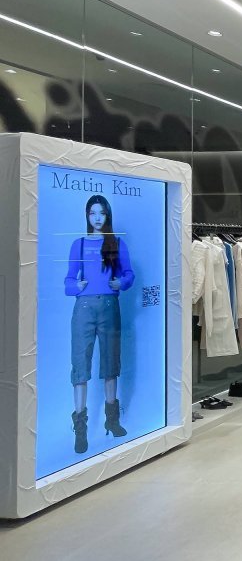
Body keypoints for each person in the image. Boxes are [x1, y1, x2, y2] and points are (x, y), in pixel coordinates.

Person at [64, 195, 134, 454]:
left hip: (109, 306)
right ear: (87, 215)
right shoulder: (79, 244)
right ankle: (80, 429)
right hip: (83, 308)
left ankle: (111, 421)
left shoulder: (116, 244)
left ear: (107, 215)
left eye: (101, 213)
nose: (97, 218)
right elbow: (68, 281)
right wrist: (76, 286)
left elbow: (129, 275)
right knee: (80, 363)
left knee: (110, 363)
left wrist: (120, 283)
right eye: (92, 213)